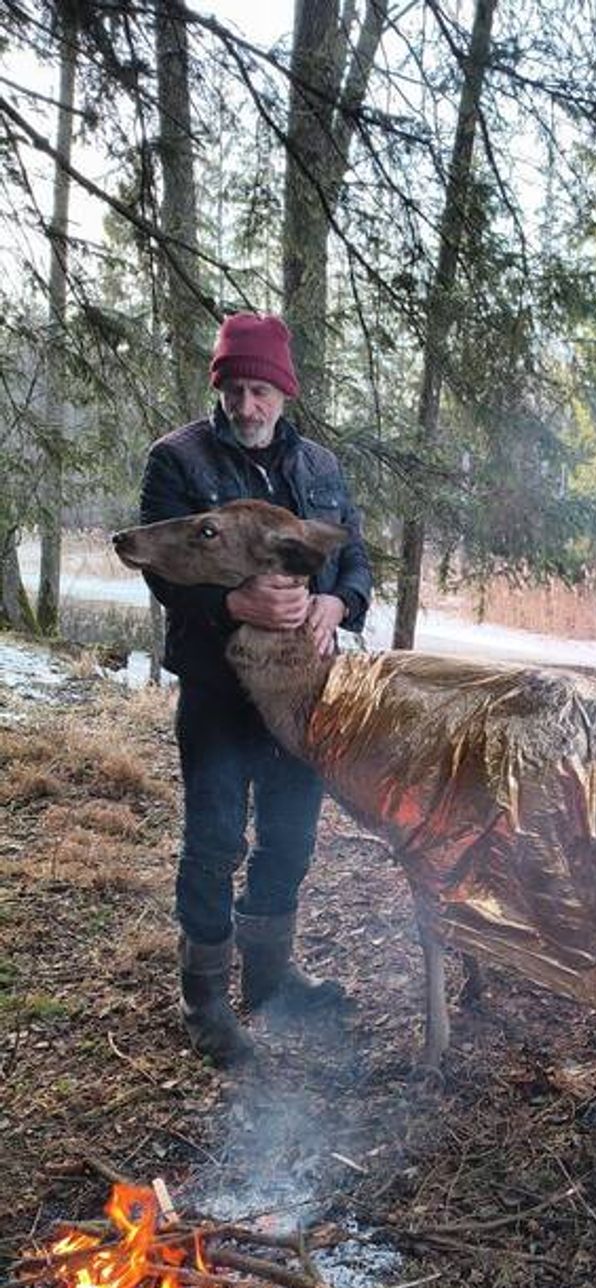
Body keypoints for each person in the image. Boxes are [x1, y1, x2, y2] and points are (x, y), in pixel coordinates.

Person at [139, 312, 373, 1066]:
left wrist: (339, 603)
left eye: (261, 391)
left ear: (284, 392)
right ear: (221, 389)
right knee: (213, 843)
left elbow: (355, 565)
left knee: (290, 840)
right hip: (217, 692)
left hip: (299, 697)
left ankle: (270, 984)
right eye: (235, 390)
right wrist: (232, 606)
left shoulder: (321, 471)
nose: (247, 406)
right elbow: (160, 565)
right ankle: (206, 1002)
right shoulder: (177, 460)